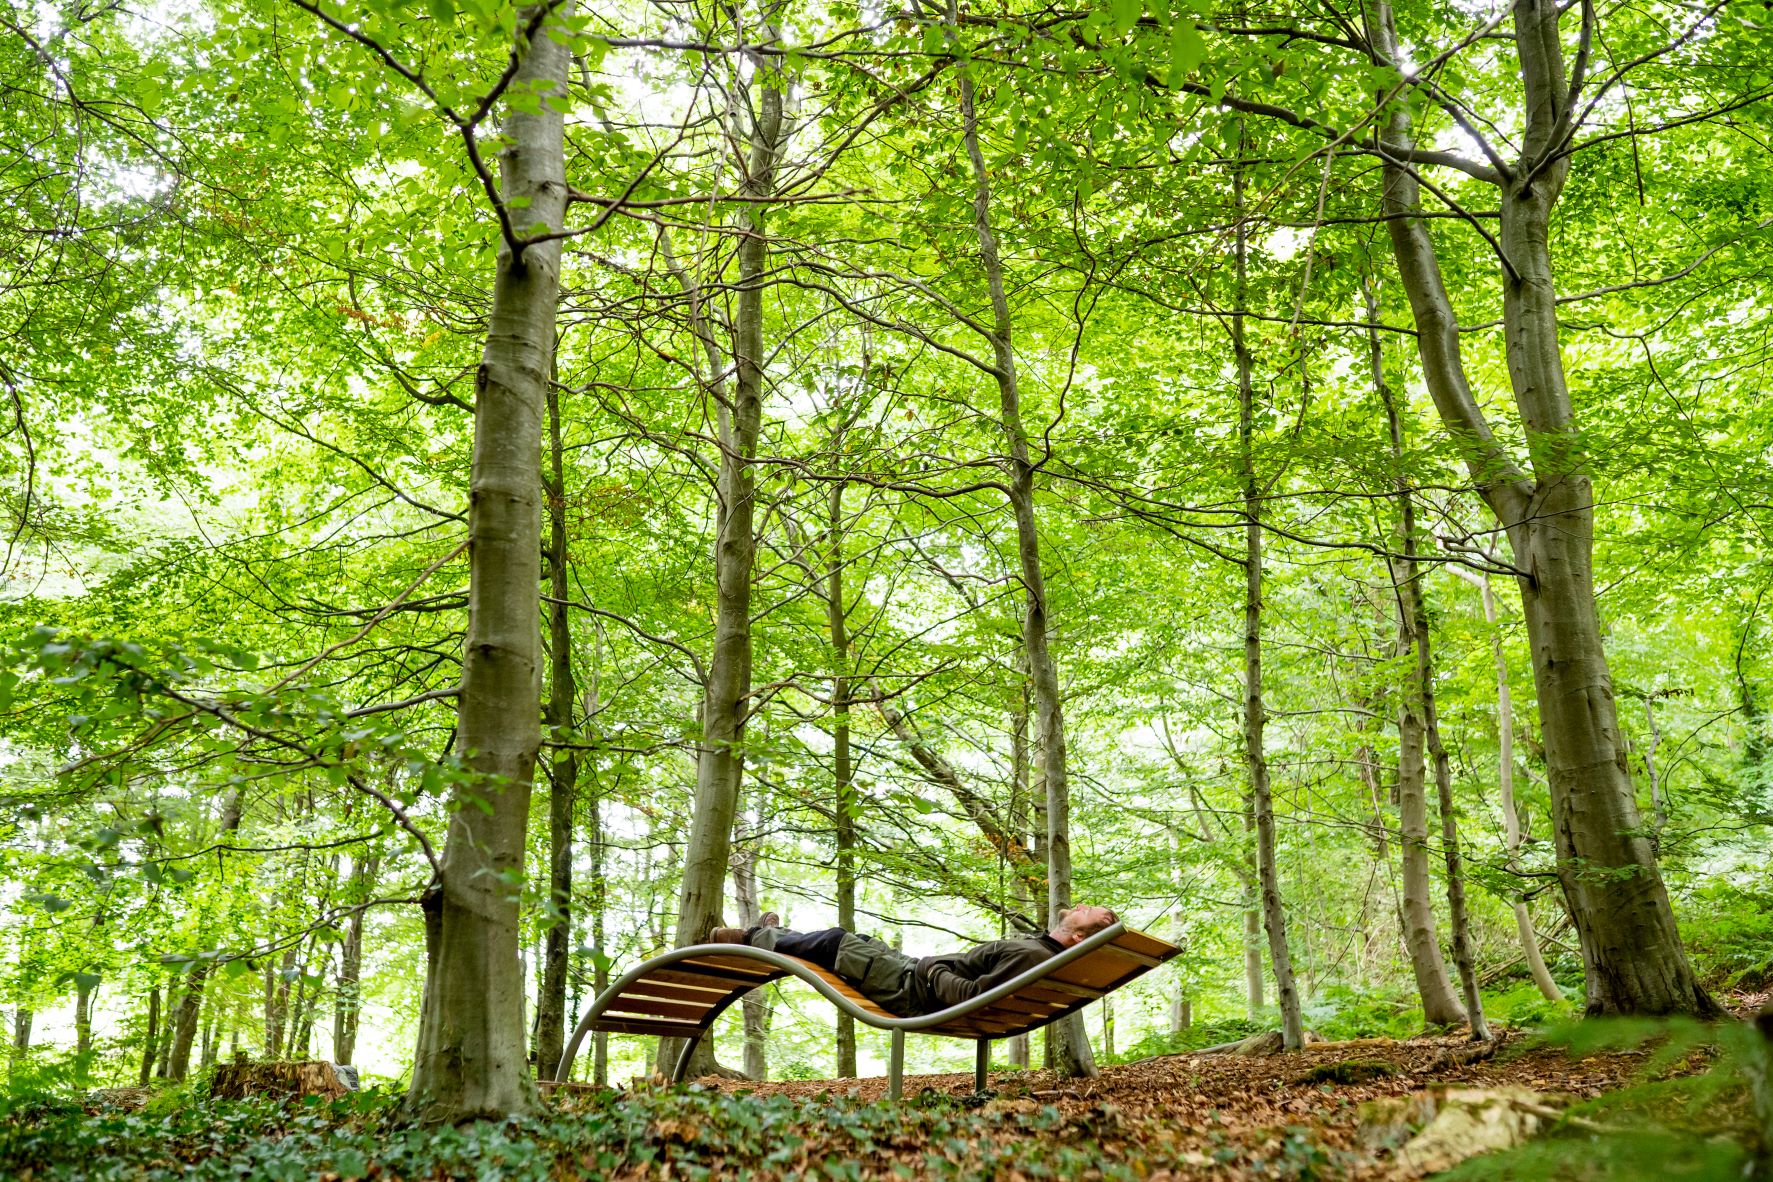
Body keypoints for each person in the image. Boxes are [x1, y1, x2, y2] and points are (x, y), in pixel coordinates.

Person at [709, 905, 1119, 1017]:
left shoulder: (1032, 955)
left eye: (1094, 913)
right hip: (913, 976)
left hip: (912, 988)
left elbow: (974, 996)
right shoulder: (1038, 951)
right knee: (858, 941)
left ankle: (749, 937)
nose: (1081, 904)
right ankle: (772, 934)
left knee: (838, 942)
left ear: (1079, 936)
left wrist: (932, 968)